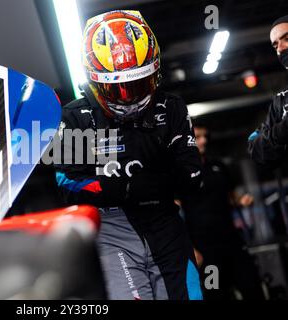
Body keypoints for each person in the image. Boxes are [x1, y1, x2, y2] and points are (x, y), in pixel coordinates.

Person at [54, 10, 203, 300]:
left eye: (136, 85)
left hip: (166, 224)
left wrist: (138, 183)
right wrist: (129, 187)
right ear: (95, 80)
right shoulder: (75, 116)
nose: (128, 97)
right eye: (117, 87)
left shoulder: (170, 107)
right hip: (111, 231)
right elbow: (68, 184)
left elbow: (193, 176)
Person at [183, 126, 264, 300]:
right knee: (216, 294)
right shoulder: (180, 173)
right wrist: (191, 249)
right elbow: (175, 213)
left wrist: (241, 201)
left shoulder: (218, 165)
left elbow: (231, 196)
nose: (204, 140)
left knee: (252, 286)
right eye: (198, 137)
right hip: (206, 249)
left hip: (232, 241)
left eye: (205, 136)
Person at [248, 15, 288, 167]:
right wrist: (283, 130)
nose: (280, 48)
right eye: (275, 45)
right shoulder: (282, 99)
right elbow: (254, 146)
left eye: (286, 38)